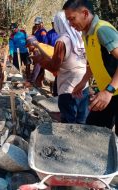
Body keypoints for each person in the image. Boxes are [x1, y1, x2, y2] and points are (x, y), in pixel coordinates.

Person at [63, 0, 118, 135]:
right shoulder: (86, 33)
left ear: (85, 13)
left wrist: (109, 91)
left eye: (72, 18)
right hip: (108, 93)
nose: (70, 24)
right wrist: (83, 82)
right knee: (93, 132)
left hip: (111, 91)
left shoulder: (102, 30)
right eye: (68, 20)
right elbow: (94, 62)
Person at [29, 11, 89, 124]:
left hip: (68, 88)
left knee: (69, 122)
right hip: (83, 86)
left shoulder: (62, 41)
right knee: (82, 121)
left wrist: (39, 60)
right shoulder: (80, 37)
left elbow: (54, 67)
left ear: (58, 24)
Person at [30, 17, 49, 87]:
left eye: (38, 24)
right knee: (38, 66)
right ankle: (37, 81)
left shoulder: (43, 31)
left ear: (41, 23)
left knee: (38, 66)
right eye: (36, 24)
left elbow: (45, 42)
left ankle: (33, 81)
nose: (36, 25)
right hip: (36, 50)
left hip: (41, 51)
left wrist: (39, 46)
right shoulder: (36, 31)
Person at [47, 19, 59, 96]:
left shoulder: (63, 32)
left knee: (58, 75)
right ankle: (52, 90)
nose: (54, 25)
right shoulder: (49, 33)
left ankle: (57, 92)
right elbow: (46, 44)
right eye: (53, 23)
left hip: (60, 57)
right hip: (51, 56)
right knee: (51, 75)